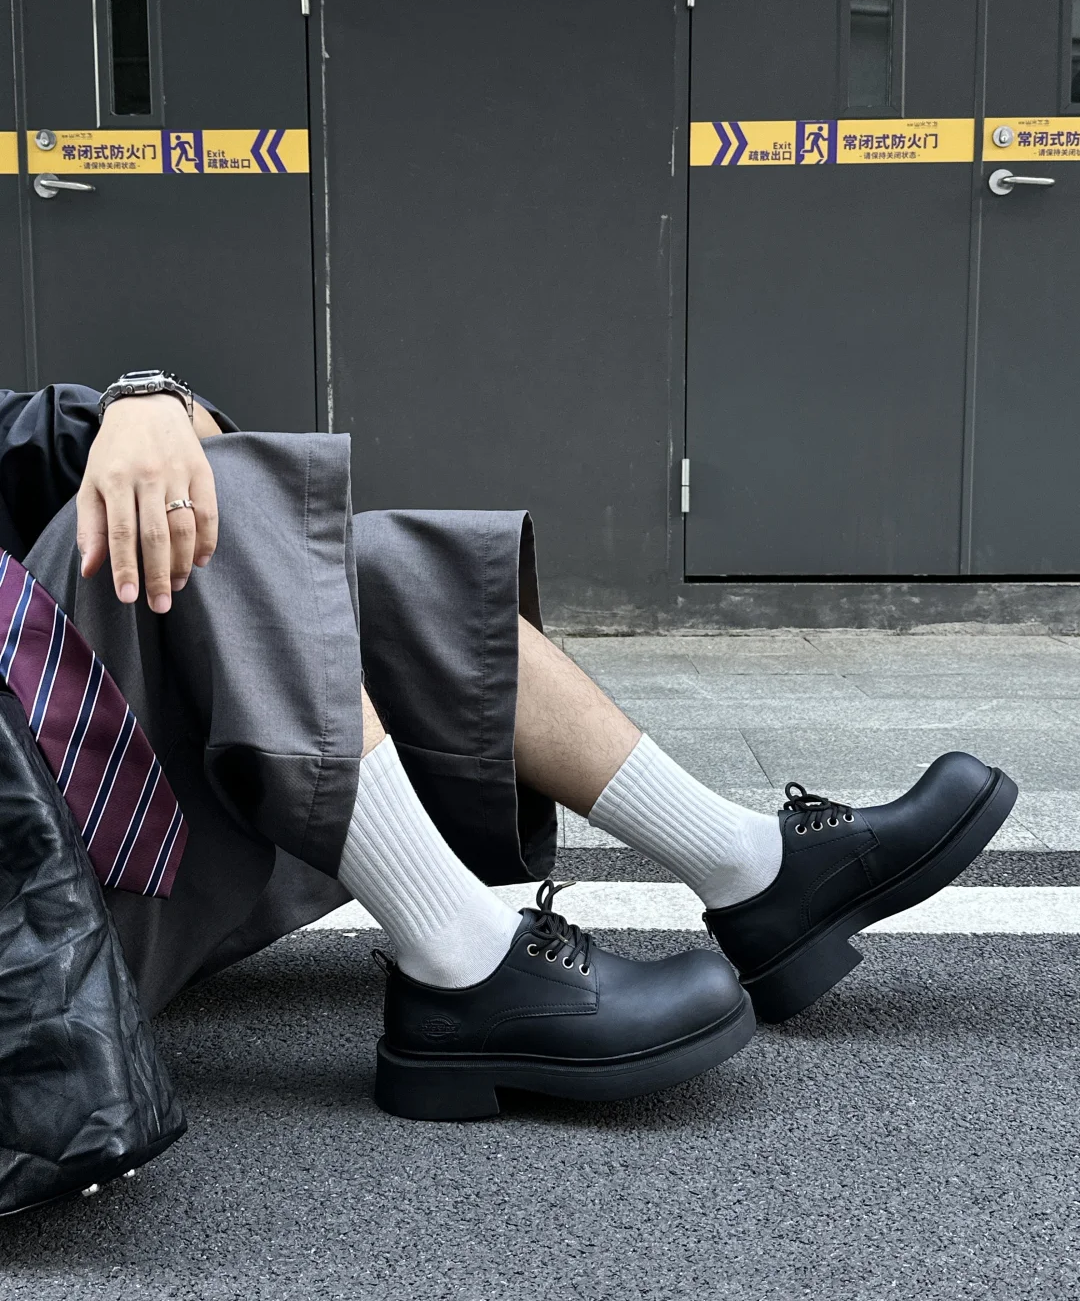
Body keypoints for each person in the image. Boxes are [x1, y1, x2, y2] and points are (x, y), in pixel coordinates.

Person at [0, 377, 1017, 1120]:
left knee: (348, 555)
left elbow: (82, 435)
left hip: (70, 816)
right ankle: (459, 962)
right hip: (29, 927)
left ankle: (749, 869)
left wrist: (146, 402)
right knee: (200, 530)